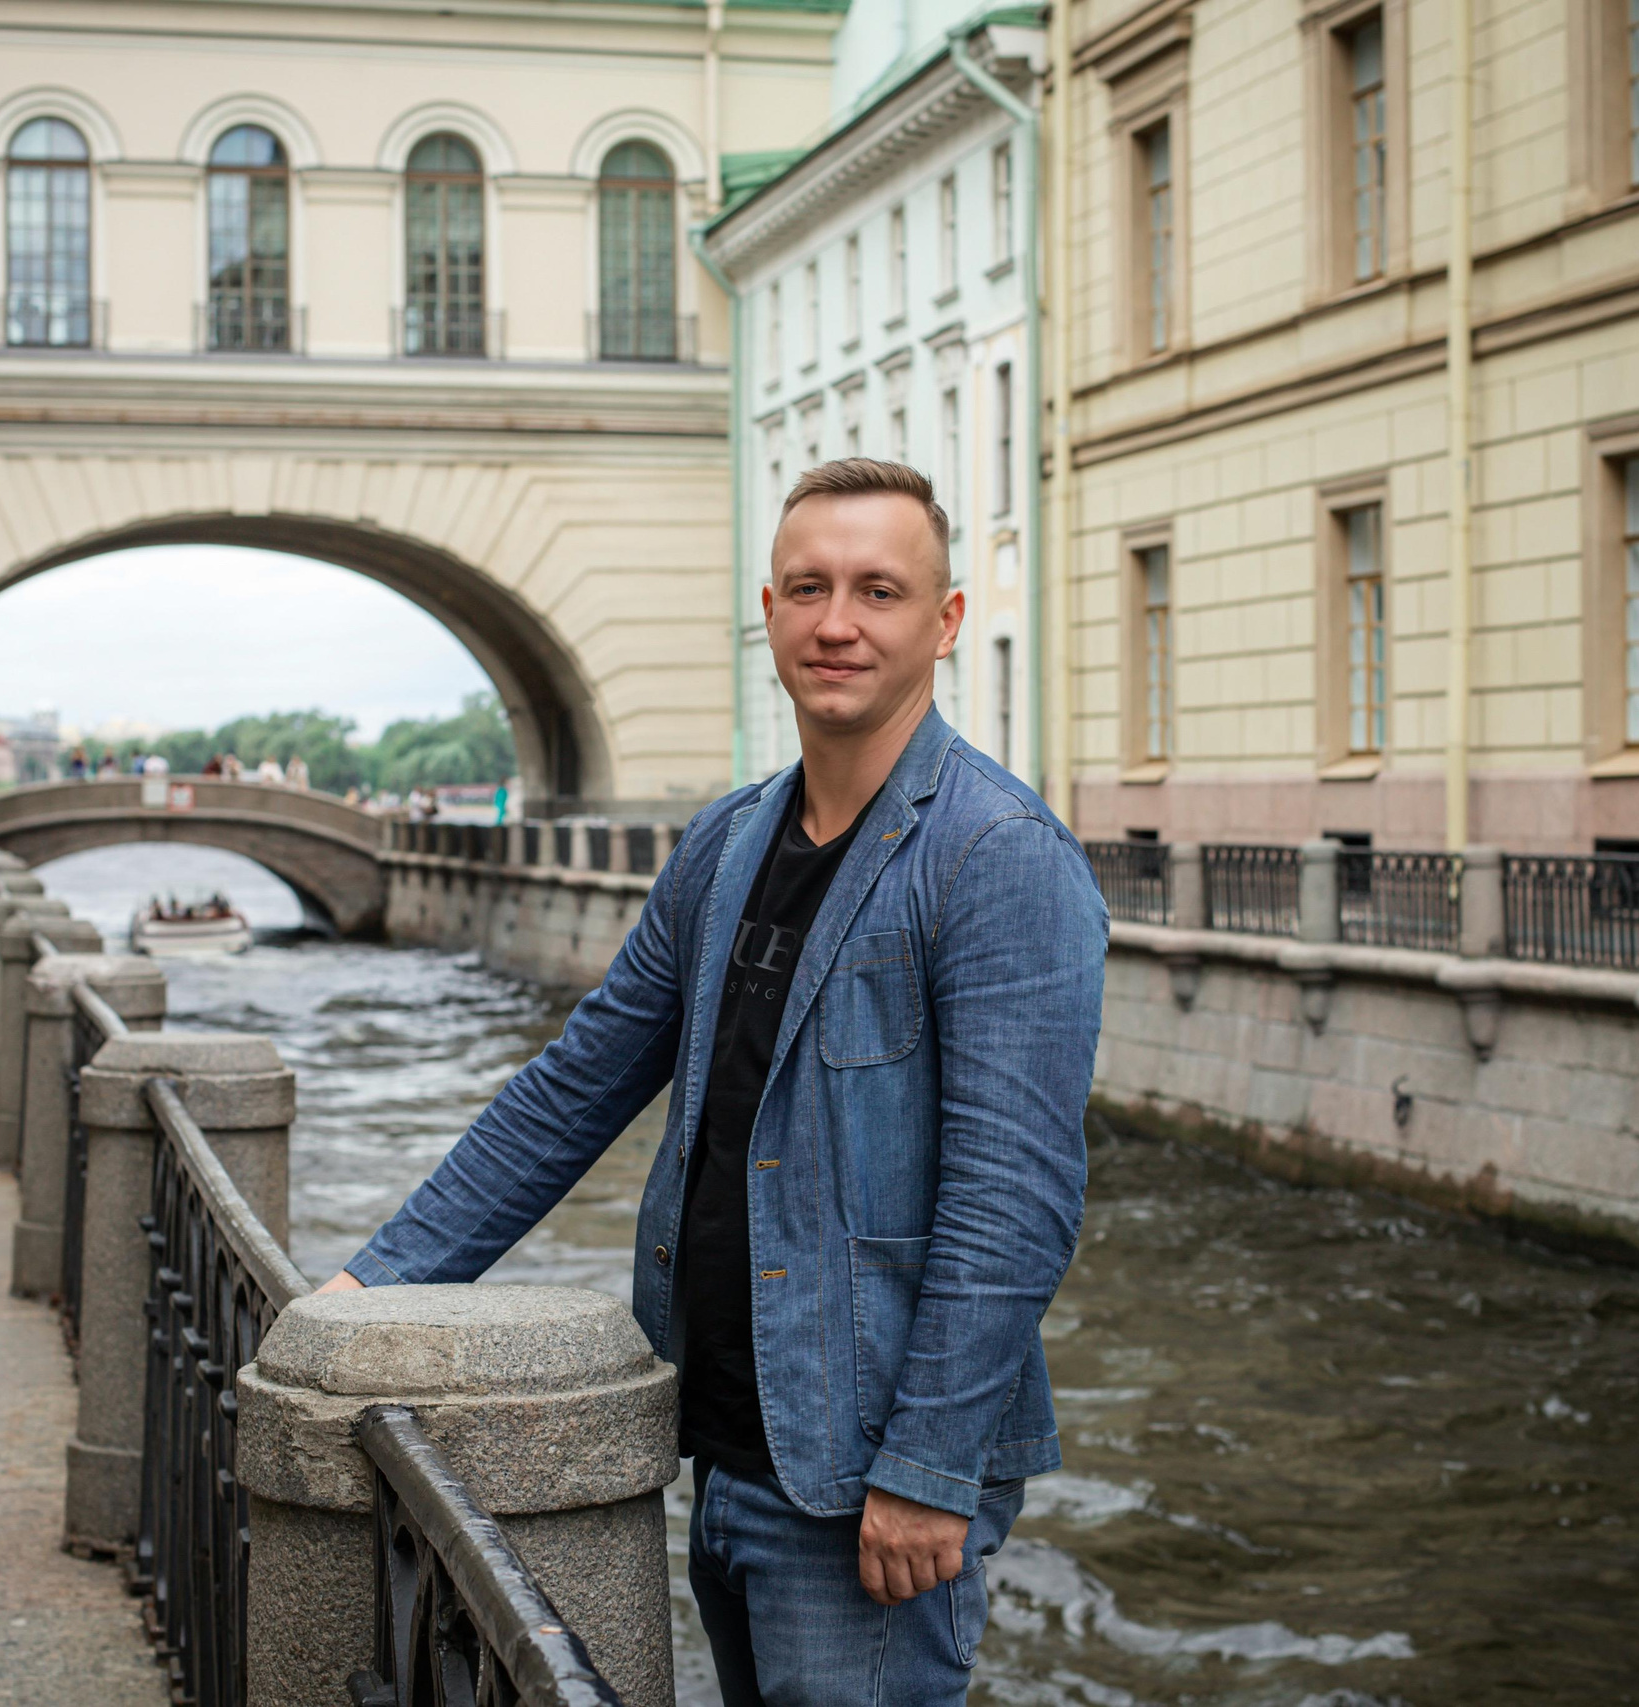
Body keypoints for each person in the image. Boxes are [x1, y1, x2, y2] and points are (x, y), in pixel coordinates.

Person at [318, 459, 1107, 1706]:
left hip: (867, 1474)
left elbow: (1012, 1203)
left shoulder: (996, 856)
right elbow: (575, 1086)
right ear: (769, 611)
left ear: (944, 621)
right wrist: (370, 1287)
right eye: (808, 588)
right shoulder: (728, 843)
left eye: (878, 591)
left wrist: (929, 1469)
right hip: (726, 1444)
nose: (837, 623)